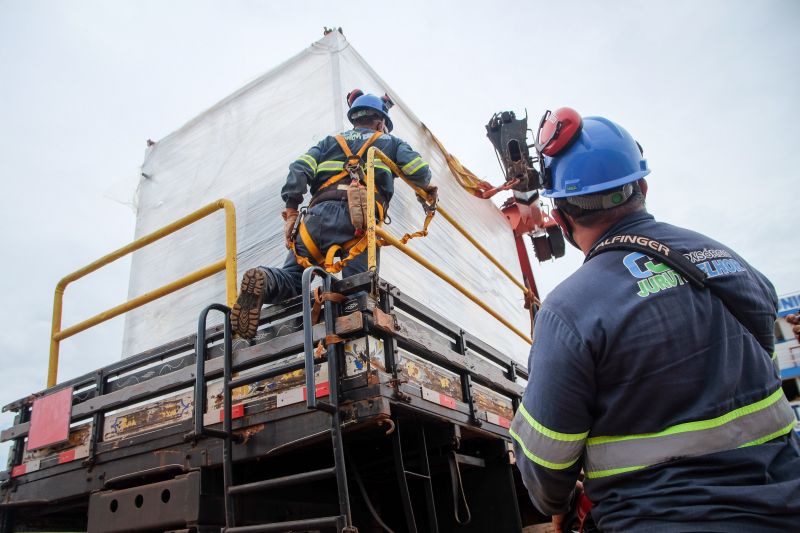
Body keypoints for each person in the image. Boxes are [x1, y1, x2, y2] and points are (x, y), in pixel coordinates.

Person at [510, 108, 800, 532]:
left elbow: (546, 472)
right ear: (641, 185)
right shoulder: (731, 262)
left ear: (561, 216)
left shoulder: (569, 312)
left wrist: (557, 501)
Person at [230, 93, 434, 338]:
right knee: (358, 286)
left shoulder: (328, 142)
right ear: (381, 123)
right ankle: (354, 339)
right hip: (357, 221)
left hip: (314, 219)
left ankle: (265, 279)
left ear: (355, 119)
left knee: (294, 279)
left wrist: (292, 209)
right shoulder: (389, 142)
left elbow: (299, 168)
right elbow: (421, 173)